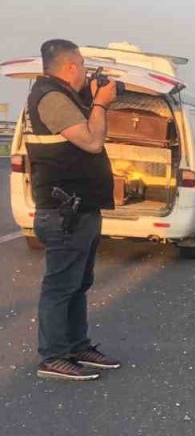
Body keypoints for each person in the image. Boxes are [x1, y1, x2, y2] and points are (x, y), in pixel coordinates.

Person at [26, 39, 123, 382]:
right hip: (64, 212)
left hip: (82, 209)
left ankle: (77, 346)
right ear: (69, 67)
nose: (85, 71)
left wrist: (95, 100)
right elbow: (92, 141)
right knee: (60, 286)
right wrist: (99, 102)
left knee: (79, 283)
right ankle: (53, 357)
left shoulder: (67, 97)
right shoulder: (51, 98)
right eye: (82, 65)